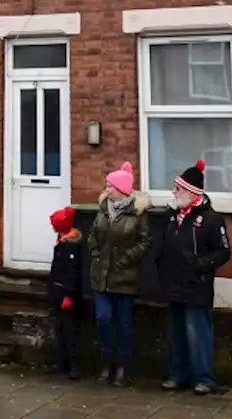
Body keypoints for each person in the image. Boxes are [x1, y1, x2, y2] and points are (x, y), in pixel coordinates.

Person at [157, 160, 230, 396]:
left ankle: (204, 378)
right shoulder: (172, 217)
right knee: (176, 334)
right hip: (174, 284)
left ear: (191, 192)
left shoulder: (211, 219)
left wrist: (200, 265)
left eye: (178, 189)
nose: (173, 192)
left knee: (197, 332)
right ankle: (179, 375)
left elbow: (223, 251)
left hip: (196, 286)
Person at [89, 161, 151, 387]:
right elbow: (93, 234)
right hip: (101, 276)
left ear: (121, 189)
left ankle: (122, 368)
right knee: (103, 318)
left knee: (123, 323)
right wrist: (95, 253)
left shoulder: (137, 213)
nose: (106, 190)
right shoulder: (103, 209)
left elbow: (145, 241)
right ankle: (106, 363)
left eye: (110, 186)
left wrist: (126, 259)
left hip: (125, 277)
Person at [47, 207, 83, 379]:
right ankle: (61, 362)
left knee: (69, 331)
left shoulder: (70, 246)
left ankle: (74, 365)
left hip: (65, 293)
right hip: (57, 291)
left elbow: (73, 272)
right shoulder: (62, 241)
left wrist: (68, 295)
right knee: (60, 329)